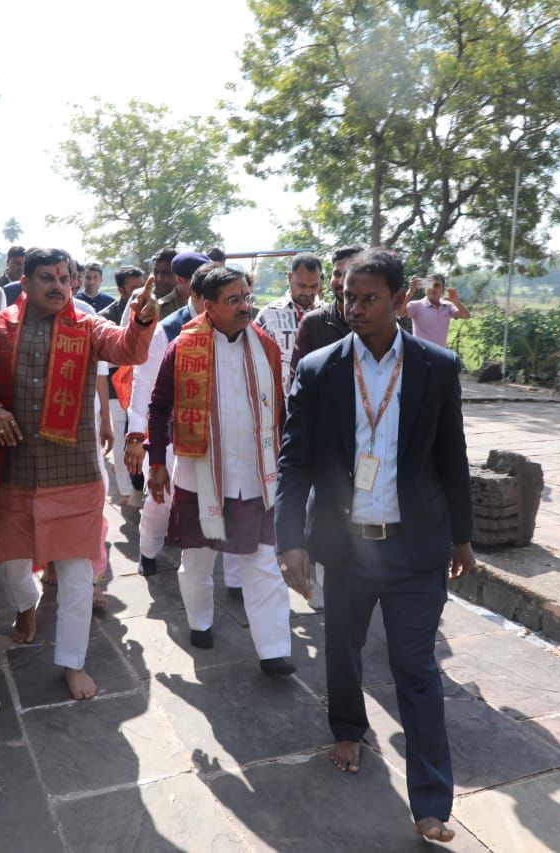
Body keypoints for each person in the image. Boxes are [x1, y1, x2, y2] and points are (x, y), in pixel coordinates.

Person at [276, 247, 475, 844]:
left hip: (415, 547)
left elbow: (452, 458)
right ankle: (347, 728)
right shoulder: (320, 369)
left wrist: (462, 536)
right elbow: (295, 462)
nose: (354, 307)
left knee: (416, 668)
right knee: (342, 647)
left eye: (368, 298)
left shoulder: (437, 368)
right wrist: (291, 540)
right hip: (348, 545)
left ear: (399, 301)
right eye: (348, 297)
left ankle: (432, 800)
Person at [0, 247, 159, 700]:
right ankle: (26, 606)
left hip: (74, 471)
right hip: (12, 471)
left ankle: (73, 662)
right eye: (48, 278)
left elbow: (127, 348)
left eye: (65, 278)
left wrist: (142, 321)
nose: (58, 286)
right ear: (25, 282)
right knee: (9, 565)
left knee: (75, 573)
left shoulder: (88, 327)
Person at [147, 267, 293, 676]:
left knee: (262, 560)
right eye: (234, 300)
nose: (246, 306)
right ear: (207, 306)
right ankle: (200, 623)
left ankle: (274, 650)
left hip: (254, 473)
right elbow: (158, 408)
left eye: (247, 297)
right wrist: (156, 461)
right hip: (200, 476)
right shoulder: (183, 347)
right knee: (196, 559)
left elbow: (279, 407)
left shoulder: (264, 347)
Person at [123, 254, 212, 577]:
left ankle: (228, 575)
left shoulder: (227, 326)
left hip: (211, 432)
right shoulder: (167, 330)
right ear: (194, 292)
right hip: (170, 430)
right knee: (160, 500)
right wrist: (136, 435)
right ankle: (148, 551)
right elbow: (144, 384)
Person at [99, 265, 145, 505]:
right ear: (120, 290)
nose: (141, 292)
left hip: (142, 385)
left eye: (143, 285)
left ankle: (141, 486)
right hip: (116, 389)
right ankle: (126, 492)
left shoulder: (149, 311)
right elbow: (106, 361)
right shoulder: (108, 317)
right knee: (121, 439)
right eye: (134, 288)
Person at [290, 245, 363, 377]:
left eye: (349, 274)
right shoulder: (312, 323)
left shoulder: (378, 325)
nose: (342, 281)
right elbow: (298, 382)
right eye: (337, 274)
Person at [255, 252, 322, 387]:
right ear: (289, 277)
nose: (309, 292)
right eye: (302, 286)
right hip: (282, 401)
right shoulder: (268, 315)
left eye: (314, 286)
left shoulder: (328, 314)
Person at [403, 273, 470, 349]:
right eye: (429, 285)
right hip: (420, 355)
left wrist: (457, 302)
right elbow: (400, 313)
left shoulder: (448, 306)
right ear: (425, 288)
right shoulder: (415, 305)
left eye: (437, 285)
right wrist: (410, 293)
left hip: (440, 355)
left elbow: (466, 316)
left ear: (443, 290)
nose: (432, 288)